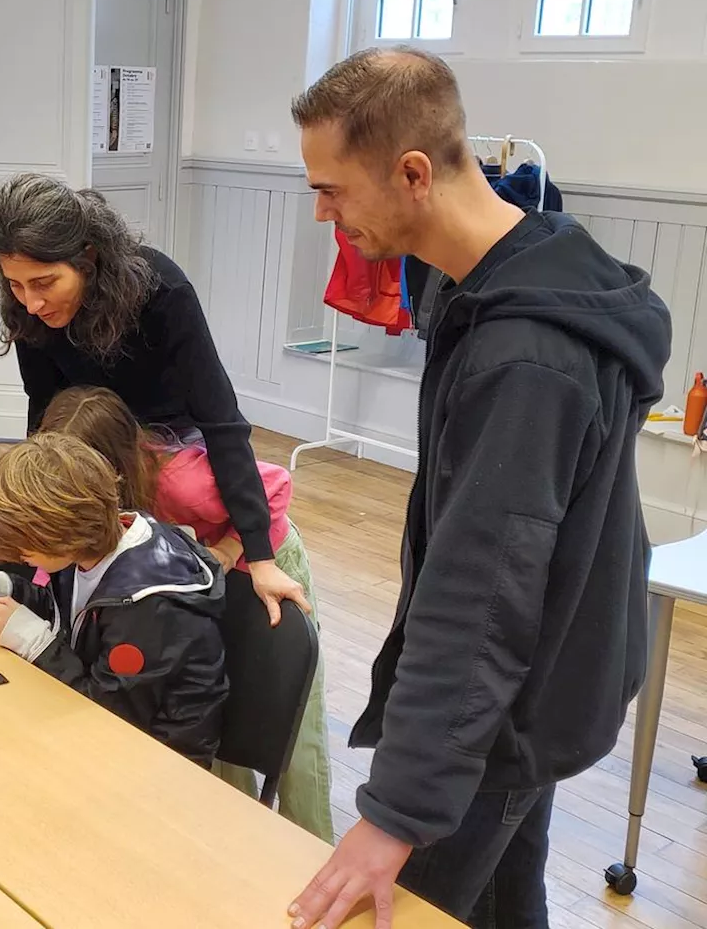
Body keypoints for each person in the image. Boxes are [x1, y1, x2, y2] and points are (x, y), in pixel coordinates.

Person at [285, 48, 672, 928]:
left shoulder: (525, 356)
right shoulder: (527, 276)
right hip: (545, 685)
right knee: (505, 906)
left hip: (507, 709)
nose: (321, 212)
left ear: (412, 173)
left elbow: (479, 597)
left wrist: (395, 814)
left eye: (333, 189)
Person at [0, 173, 309, 627]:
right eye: (16, 285)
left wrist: (257, 554)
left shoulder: (160, 292)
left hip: (176, 450)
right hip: (102, 440)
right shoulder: (28, 308)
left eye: (45, 282)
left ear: (88, 258)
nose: (31, 303)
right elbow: (43, 417)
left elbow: (222, 421)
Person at [37, 385, 334, 842]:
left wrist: (233, 552)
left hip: (263, 560)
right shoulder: (117, 505)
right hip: (199, 571)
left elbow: (274, 485)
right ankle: (240, 834)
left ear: (110, 472)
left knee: (293, 733)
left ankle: (315, 849)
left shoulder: (180, 483)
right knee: (225, 709)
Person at [0, 432, 228, 767]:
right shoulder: (87, 546)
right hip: (99, 723)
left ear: (59, 536)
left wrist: (36, 644)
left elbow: (113, 715)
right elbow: (68, 613)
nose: (18, 556)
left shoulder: (148, 606)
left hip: (158, 759)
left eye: (24, 550)